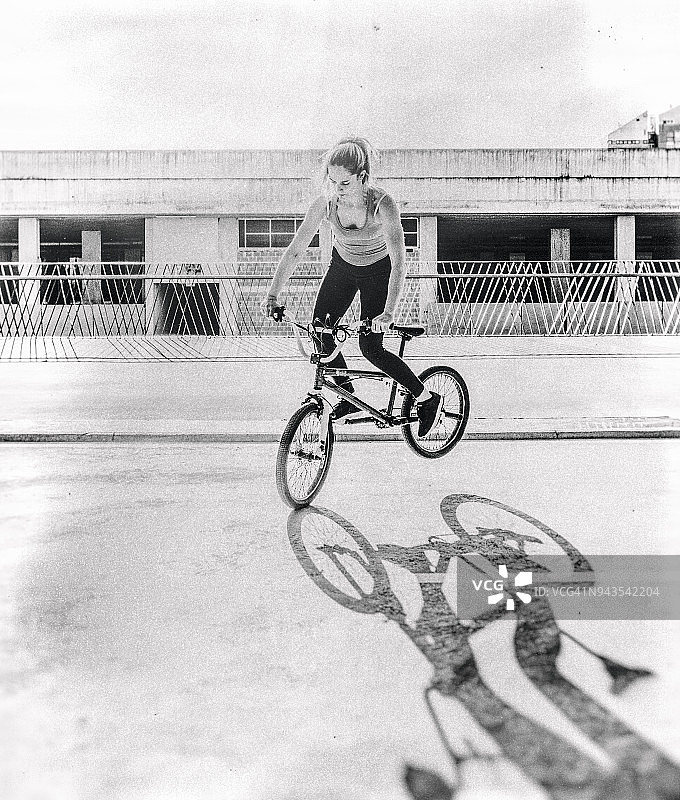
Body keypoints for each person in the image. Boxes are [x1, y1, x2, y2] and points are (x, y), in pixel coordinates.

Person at [263, 137, 443, 437]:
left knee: (370, 347)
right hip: (342, 270)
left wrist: (387, 313)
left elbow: (399, 263)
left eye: (344, 182)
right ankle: (349, 400)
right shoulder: (326, 202)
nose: (337, 188)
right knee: (320, 333)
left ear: (362, 177)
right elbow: (296, 249)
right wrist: (272, 293)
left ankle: (425, 398)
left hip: (378, 273)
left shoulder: (383, 205)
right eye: (332, 181)